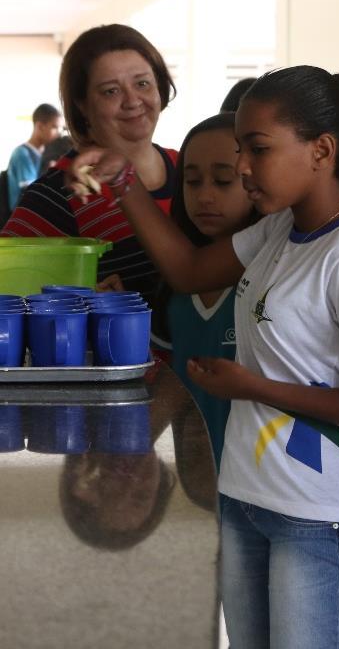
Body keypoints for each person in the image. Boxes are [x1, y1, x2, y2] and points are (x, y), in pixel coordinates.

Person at [69, 64, 339, 649]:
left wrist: (255, 386)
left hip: (320, 514)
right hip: (247, 497)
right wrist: (126, 183)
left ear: (322, 151)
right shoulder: (277, 231)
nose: (243, 168)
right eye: (242, 150)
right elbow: (185, 270)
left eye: (257, 149)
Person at [1, 24, 178, 302]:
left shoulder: (190, 168)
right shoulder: (61, 193)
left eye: (142, 83)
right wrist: (78, 297)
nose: (132, 101)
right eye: (110, 91)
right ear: (82, 104)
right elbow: (10, 285)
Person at [153, 112, 256, 470]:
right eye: (192, 182)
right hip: (194, 474)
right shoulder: (175, 287)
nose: (205, 196)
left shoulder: (269, 278)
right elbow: (173, 381)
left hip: (261, 477)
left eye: (224, 180)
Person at [6, 103, 62, 210]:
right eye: (55, 127)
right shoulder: (22, 154)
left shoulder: (47, 153)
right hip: (22, 215)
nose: (59, 133)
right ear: (40, 126)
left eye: (61, 128)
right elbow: (30, 196)